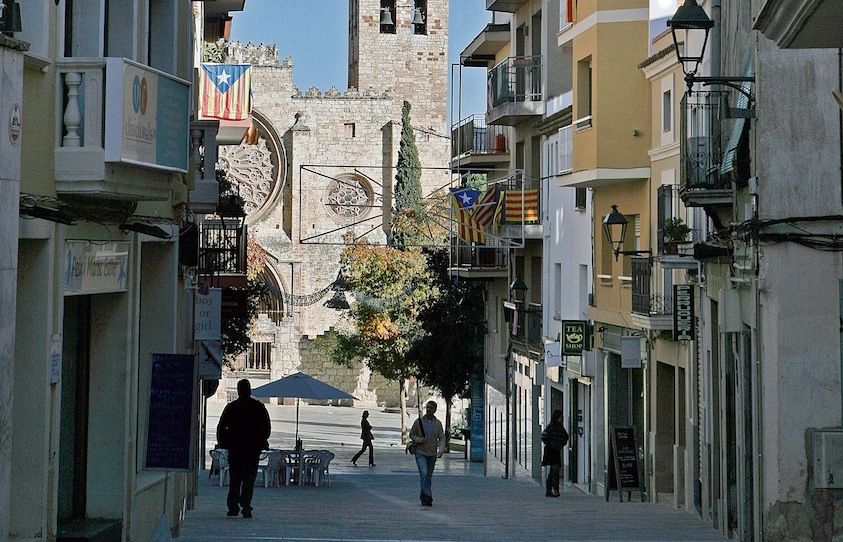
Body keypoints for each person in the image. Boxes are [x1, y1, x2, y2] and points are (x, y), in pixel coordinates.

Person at [217, 379, 271, 518]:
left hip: (236, 449)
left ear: (238, 390)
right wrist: (260, 440)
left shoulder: (232, 407)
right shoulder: (259, 407)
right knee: (249, 480)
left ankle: (233, 507)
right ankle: (246, 506)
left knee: (235, 480)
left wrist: (223, 442)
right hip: (252, 450)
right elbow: (266, 428)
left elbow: (221, 426)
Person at [409, 400, 445, 507]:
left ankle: (424, 497)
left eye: (431, 408)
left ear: (435, 410)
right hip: (421, 452)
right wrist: (419, 440)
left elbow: (442, 438)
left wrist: (441, 450)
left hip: (432, 454)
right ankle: (428, 495)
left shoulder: (438, 424)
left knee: (428, 476)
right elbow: (412, 434)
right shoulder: (419, 421)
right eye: (427, 407)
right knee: (424, 473)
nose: (428, 409)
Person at [541, 409, 569, 498]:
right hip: (551, 451)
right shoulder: (551, 427)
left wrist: (560, 444)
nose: (560, 419)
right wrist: (552, 444)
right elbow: (544, 437)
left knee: (554, 471)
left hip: (555, 451)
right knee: (554, 470)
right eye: (560, 417)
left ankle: (551, 490)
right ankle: (552, 490)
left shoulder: (560, 427)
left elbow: (566, 436)